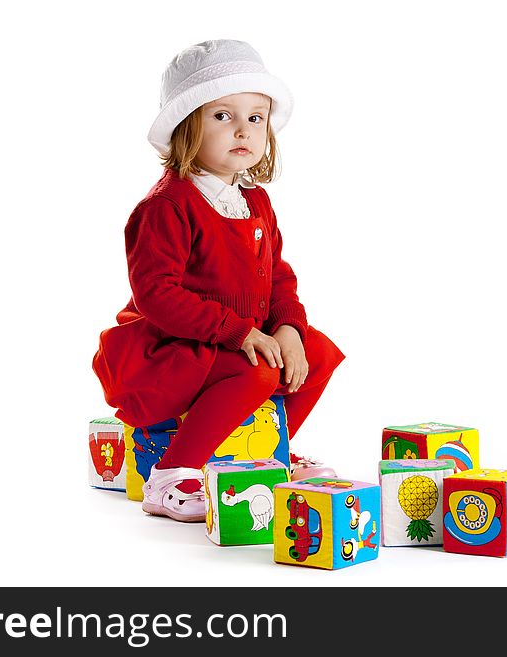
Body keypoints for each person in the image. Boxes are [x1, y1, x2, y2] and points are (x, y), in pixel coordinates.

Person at [92, 40, 345, 523]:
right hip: (172, 346)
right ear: (188, 126)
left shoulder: (256, 201)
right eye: (223, 116)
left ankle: (273, 452)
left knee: (317, 354)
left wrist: (288, 329)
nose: (243, 130)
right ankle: (171, 472)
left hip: (231, 341)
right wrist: (239, 332)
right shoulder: (167, 206)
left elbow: (279, 277)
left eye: (255, 118)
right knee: (257, 371)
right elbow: (157, 295)